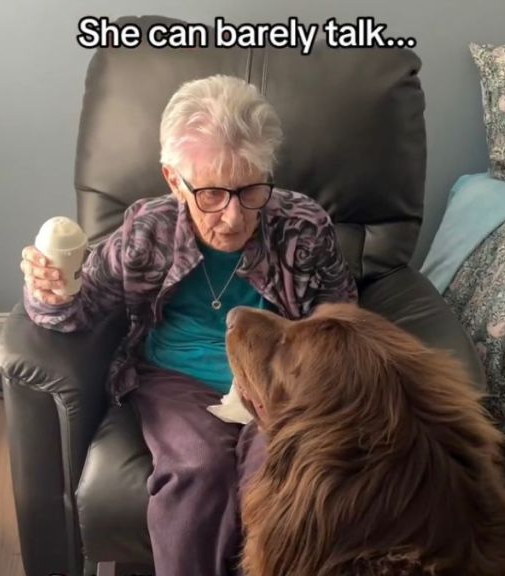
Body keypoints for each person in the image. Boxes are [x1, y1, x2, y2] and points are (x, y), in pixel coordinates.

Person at [19, 75, 357, 576]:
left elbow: (341, 315)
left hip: (279, 377)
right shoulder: (146, 230)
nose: (234, 217)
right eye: (212, 194)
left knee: (281, 474)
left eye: (250, 189)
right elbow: (79, 311)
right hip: (176, 377)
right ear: (174, 180)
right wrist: (48, 291)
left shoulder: (303, 226)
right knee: (197, 468)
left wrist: (313, 386)